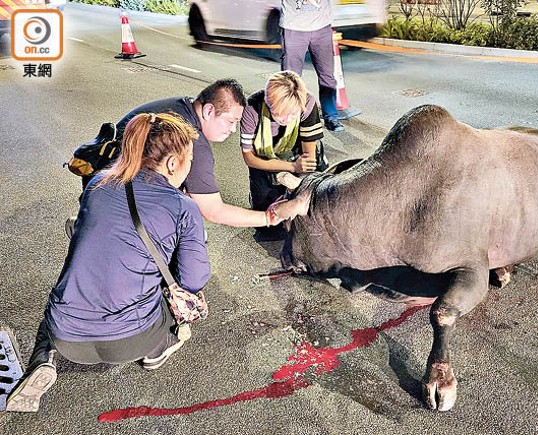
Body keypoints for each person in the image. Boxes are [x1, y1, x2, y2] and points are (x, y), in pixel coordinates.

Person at [6, 113, 211, 413]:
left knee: (61, 297)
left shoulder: (98, 182)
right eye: (189, 160)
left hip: (66, 336)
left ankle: (43, 357)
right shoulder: (184, 206)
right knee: (182, 298)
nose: (190, 167)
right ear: (171, 164)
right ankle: (159, 348)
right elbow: (194, 280)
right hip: (132, 340)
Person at [71, 79, 281, 238]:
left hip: (100, 182)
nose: (233, 129)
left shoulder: (182, 107)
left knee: (187, 200)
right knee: (188, 225)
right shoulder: (190, 138)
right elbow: (214, 211)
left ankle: (90, 225)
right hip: (115, 193)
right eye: (230, 121)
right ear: (208, 110)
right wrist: (268, 217)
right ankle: (98, 231)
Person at [240, 71, 328, 239]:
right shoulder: (251, 109)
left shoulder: (307, 102)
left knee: (310, 215)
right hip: (264, 159)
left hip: (297, 156)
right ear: (268, 102)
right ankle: (258, 197)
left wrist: (297, 186)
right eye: (280, 114)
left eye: (293, 114)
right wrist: (289, 167)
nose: (287, 119)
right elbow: (249, 158)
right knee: (269, 228)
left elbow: (308, 157)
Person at [280, 0, 344, 132]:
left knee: (327, 76)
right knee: (290, 80)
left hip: (322, 27)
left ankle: (331, 117)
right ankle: (291, 120)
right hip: (293, 27)